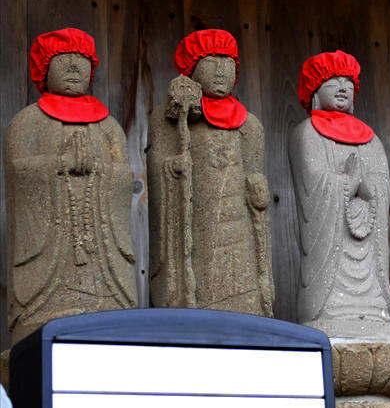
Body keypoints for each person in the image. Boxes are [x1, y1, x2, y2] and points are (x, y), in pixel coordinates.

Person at [4, 28, 135, 345]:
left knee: (109, 317)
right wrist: (58, 165)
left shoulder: (107, 126)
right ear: (44, 69)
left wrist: (100, 170)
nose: (75, 68)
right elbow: (18, 172)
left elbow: (124, 176)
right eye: (65, 59)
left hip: (99, 242)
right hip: (50, 250)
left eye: (82, 60)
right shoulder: (28, 121)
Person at [147, 29, 273, 316]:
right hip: (198, 223)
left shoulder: (249, 125)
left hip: (238, 223)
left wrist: (257, 189)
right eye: (211, 62)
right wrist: (173, 168)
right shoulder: (171, 117)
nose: (220, 70)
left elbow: (254, 171)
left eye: (227, 62)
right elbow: (158, 166)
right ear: (192, 69)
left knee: (242, 280)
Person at [289, 50, 390, 326]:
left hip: (367, 245)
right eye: (333, 81)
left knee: (373, 286)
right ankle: (327, 306)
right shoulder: (307, 133)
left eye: (348, 82)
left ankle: (374, 307)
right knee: (329, 293)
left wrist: (368, 185)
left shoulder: (371, 140)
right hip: (329, 247)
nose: (342, 87)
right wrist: (347, 182)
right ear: (314, 88)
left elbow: (383, 186)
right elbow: (313, 181)